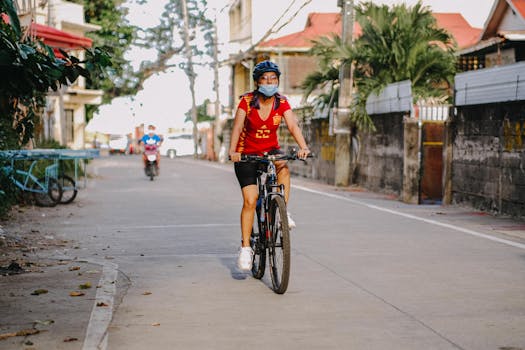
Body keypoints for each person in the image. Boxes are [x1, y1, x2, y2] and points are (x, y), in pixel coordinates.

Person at [229, 60, 310, 271]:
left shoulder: (281, 102)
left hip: (270, 150)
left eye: (273, 79)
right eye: (265, 79)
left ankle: (284, 210)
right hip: (246, 154)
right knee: (250, 200)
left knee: (283, 164)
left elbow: (292, 125)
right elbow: (237, 127)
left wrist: (303, 147)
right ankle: (246, 247)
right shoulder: (246, 102)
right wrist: (233, 151)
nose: (269, 82)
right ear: (257, 82)